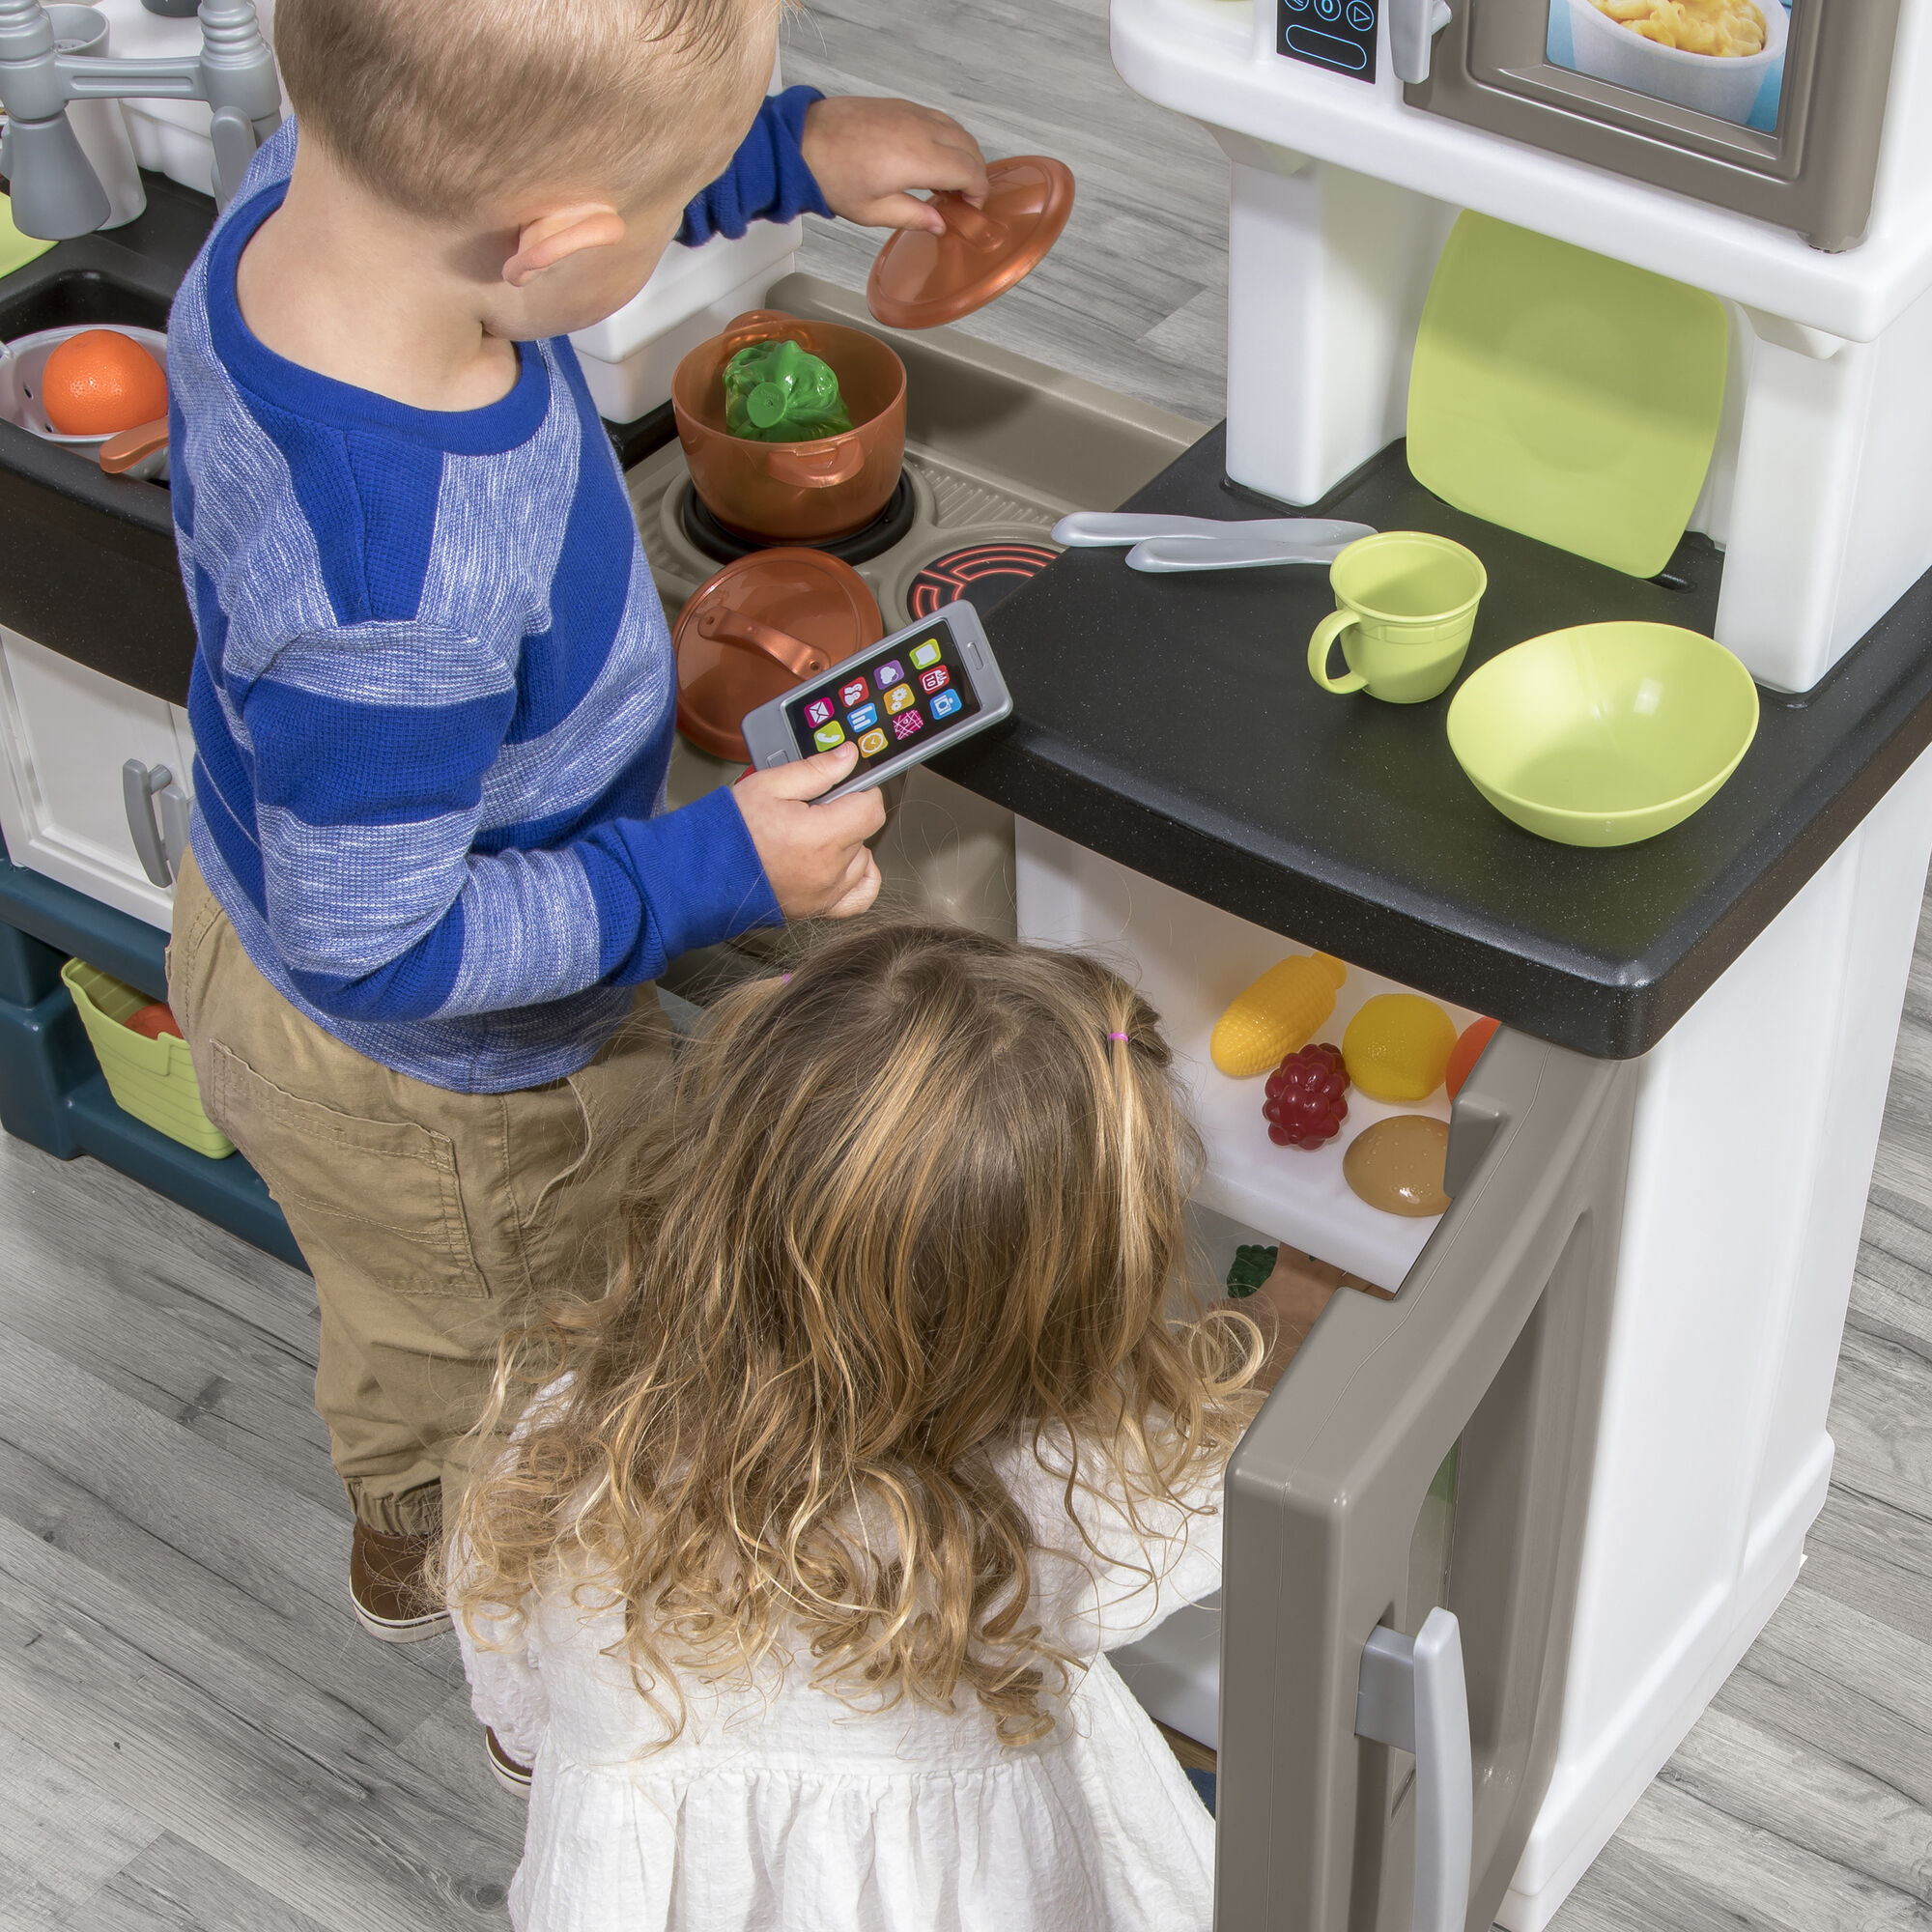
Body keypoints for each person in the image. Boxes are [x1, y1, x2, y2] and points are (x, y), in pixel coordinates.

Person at [163, 0, 993, 1642]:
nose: (701, 193)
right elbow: (388, 941)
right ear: (552, 241)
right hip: (449, 1083)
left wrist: (787, 150)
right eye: (681, 183)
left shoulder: (321, 182)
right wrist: (716, 864)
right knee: (531, 1380)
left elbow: (532, 171)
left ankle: (400, 1502)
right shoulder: (388, 584)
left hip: (285, 903)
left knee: (403, 1307)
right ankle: (510, 1641)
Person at [449, 922, 1264, 1930]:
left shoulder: (577, 1437)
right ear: (1070, 1303)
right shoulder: (1061, 1484)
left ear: (719, 1185)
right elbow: (1214, 1498)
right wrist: (1295, 1313)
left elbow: (518, 1699)